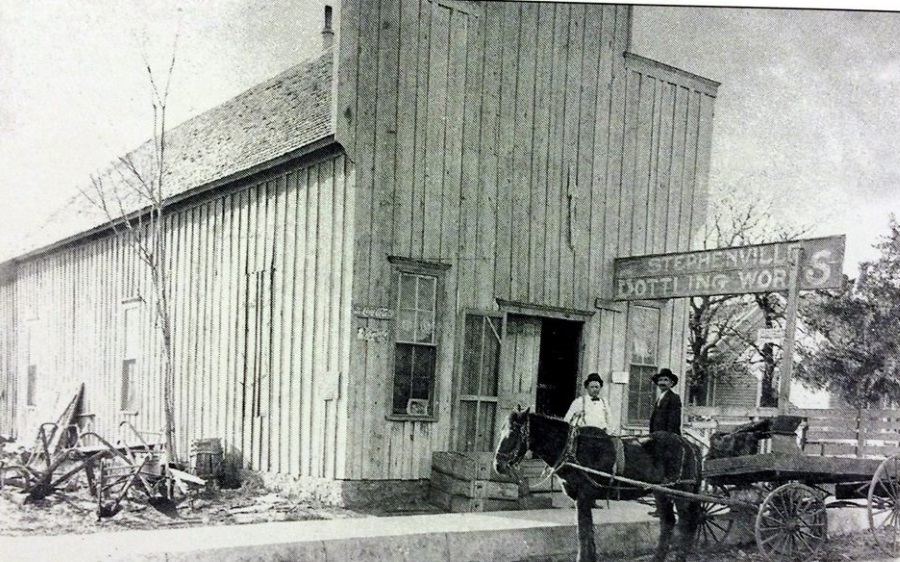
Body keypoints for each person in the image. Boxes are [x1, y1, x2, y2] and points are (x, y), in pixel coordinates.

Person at [649, 368, 682, 435]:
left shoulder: (674, 398)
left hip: (667, 438)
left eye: (666, 380)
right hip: (657, 436)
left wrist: (668, 439)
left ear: (671, 383)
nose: (662, 383)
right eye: (660, 380)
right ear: (657, 383)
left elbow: (674, 422)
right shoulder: (659, 399)